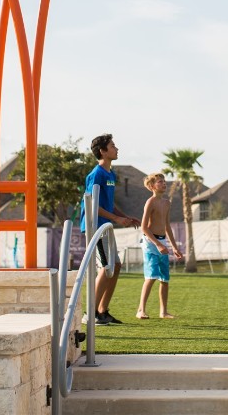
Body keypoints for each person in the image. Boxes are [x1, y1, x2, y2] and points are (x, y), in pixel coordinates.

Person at [78, 134, 140, 326]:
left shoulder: (110, 174)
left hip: (106, 226)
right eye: (113, 146)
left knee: (116, 266)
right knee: (107, 267)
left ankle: (102, 311)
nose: (117, 148)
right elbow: (92, 204)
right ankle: (91, 314)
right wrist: (116, 219)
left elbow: (108, 203)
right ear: (103, 151)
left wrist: (124, 217)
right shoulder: (96, 174)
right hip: (95, 227)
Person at [136, 172, 183, 320]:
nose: (164, 183)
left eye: (164, 181)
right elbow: (144, 227)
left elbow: (167, 226)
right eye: (160, 182)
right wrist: (157, 244)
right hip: (150, 243)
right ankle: (141, 310)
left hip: (162, 242)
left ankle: (163, 312)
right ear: (151, 186)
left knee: (164, 279)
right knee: (151, 276)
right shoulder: (150, 202)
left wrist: (174, 247)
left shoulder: (167, 203)